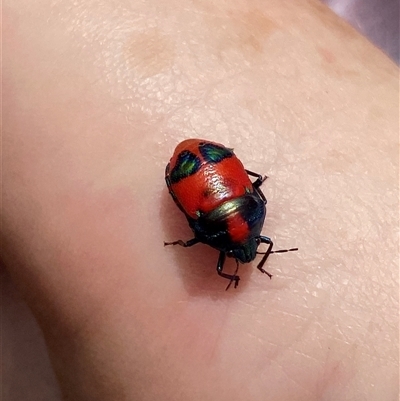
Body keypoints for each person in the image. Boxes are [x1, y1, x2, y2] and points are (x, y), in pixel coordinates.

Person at [3, 1, 398, 400]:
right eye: (249, 254)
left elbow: (222, 214)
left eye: (245, 256)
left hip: (210, 173)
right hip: (203, 177)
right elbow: (198, 227)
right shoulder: (231, 232)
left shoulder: (247, 220)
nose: (245, 256)